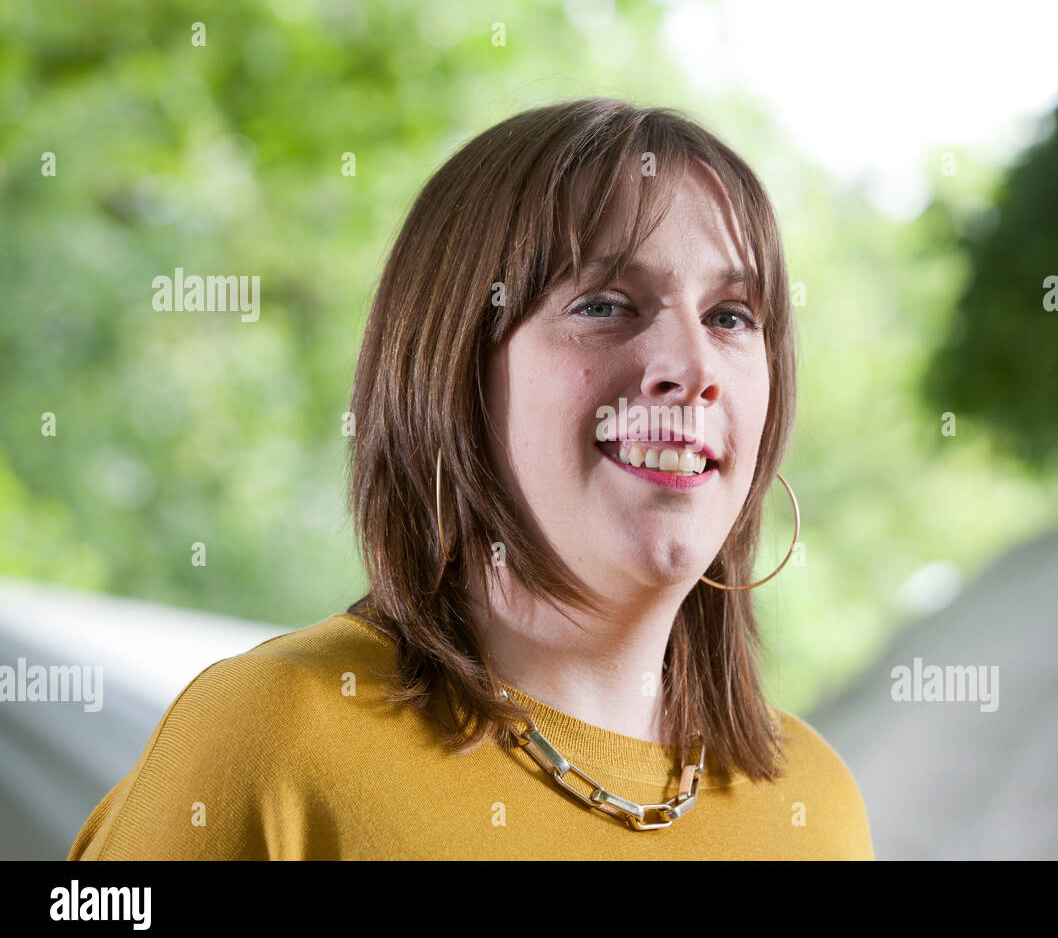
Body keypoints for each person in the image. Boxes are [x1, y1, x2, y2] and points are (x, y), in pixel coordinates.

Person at [68, 97, 874, 859]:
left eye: (730, 316)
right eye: (604, 304)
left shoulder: (816, 803)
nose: (692, 367)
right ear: (451, 372)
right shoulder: (269, 735)